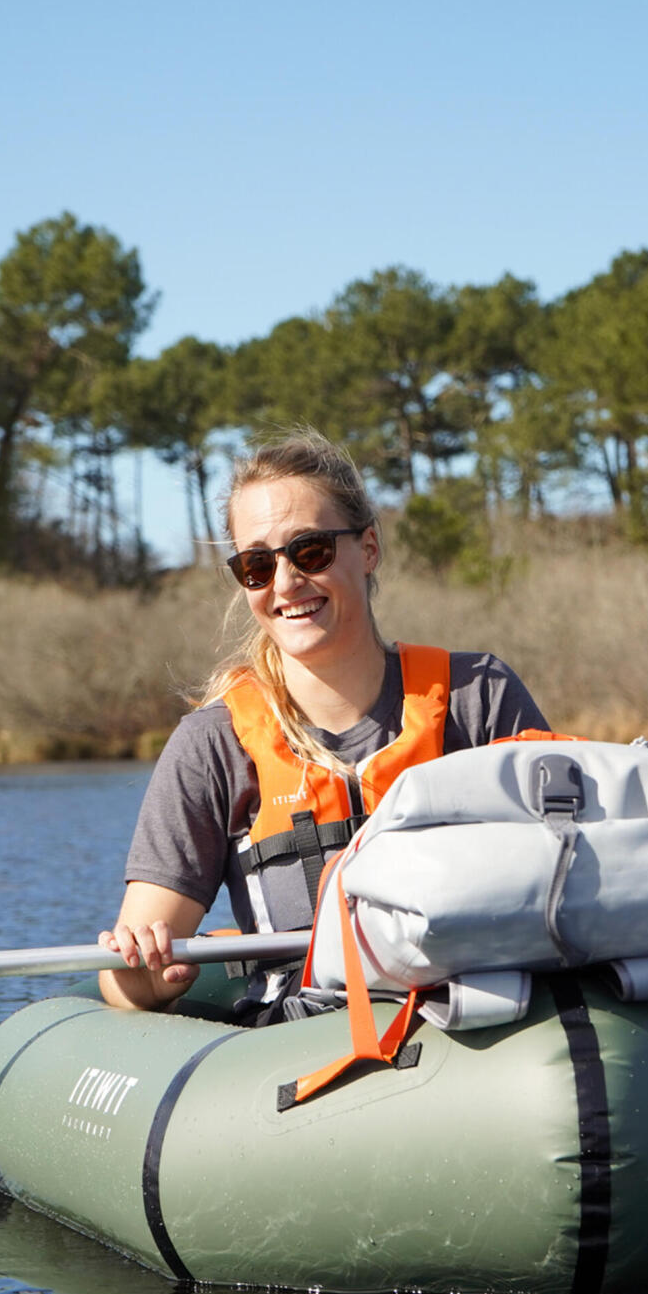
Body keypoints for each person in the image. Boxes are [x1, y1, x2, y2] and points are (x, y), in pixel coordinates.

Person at [99, 427, 547, 1020]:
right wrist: (148, 977)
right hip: (308, 1043)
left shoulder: (480, 698)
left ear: (367, 549)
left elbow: (573, 873)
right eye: (256, 564)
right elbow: (124, 981)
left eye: (309, 551)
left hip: (482, 1019)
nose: (284, 584)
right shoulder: (210, 745)